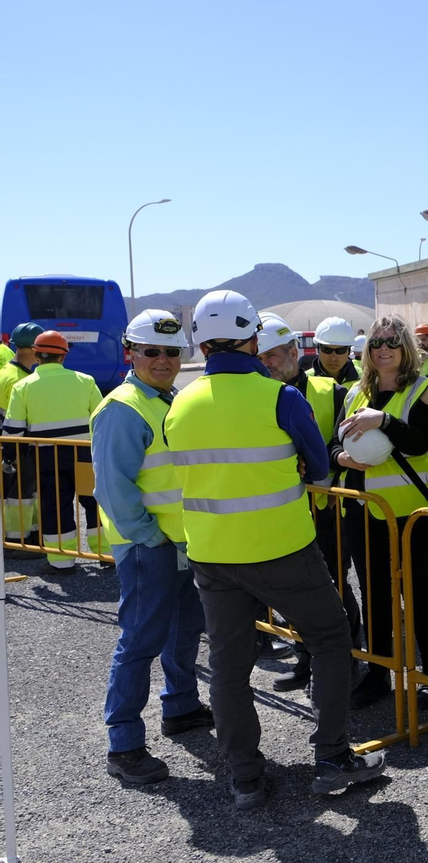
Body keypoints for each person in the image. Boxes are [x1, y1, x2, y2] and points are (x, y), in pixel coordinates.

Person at [165, 289, 386, 810]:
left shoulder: (181, 403)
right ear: (252, 338)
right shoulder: (280, 397)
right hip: (282, 548)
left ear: (198, 339)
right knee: (331, 637)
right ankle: (332, 758)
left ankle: (245, 777)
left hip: (212, 555)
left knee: (228, 664)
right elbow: (322, 467)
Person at [96, 310, 212, 785]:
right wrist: (149, 536)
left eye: (171, 352)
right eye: (151, 351)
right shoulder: (122, 408)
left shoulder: (170, 400)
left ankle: (180, 706)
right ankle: (124, 744)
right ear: (131, 353)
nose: (163, 360)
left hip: (183, 540)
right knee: (140, 640)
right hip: (148, 545)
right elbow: (114, 488)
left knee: (186, 630)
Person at [330, 314, 428, 714]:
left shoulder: (425, 390)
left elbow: (419, 442)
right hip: (361, 512)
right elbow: (334, 443)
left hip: (407, 514)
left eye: (392, 342)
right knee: (374, 593)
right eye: (376, 343)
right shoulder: (353, 394)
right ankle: (378, 674)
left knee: (416, 592)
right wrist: (342, 456)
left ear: (406, 349)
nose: (383, 349)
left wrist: (382, 420)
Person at [256, 312, 364, 695]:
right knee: (293, 590)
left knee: (334, 587)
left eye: (274, 355)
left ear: (291, 351)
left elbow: (344, 447)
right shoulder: (256, 396)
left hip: (327, 509)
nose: (268, 363)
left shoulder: (329, 391)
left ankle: (347, 660)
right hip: (281, 510)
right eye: (261, 356)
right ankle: (307, 658)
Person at [1, 329, 104, 569]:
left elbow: (13, 431)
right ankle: (106, 555)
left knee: (55, 506)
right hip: (86, 454)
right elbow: (101, 419)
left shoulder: (23, 387)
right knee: (95, 502)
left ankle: (61, 562)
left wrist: (10, 458)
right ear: (64, 356)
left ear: (37, 356)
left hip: (47, 456)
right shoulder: (85, 381)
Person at [0, 322, 42, 551]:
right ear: (35, 349)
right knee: (21, 494)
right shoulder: (19, 380)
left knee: (13, 492)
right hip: (19, 445)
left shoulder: (6, 371)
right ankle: (17, 540)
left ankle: (25, 534)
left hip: (9, 444)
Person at [299, 316, 360, 384]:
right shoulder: (305, 381)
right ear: (318, 349)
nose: (333, 358)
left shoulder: (363, 379)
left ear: (349, 351)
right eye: (327, 350)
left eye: (340, 351)